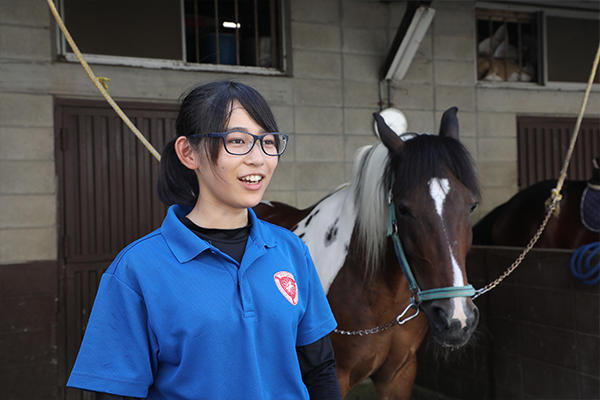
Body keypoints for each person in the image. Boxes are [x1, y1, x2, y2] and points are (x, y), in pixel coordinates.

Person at [66, 81, 341, 399]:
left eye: (268, 141)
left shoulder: (291, 250)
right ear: (188, 152)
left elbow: (319, 368)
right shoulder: (136, 269)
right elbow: (116, 393)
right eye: (238, 141)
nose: (259, 158)